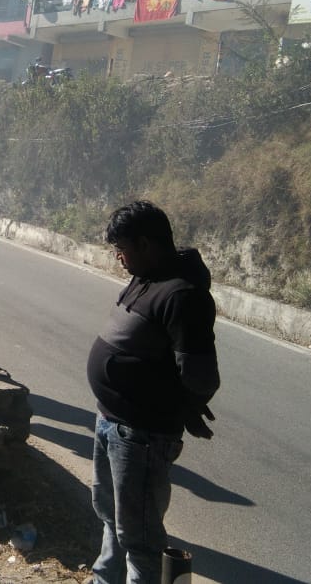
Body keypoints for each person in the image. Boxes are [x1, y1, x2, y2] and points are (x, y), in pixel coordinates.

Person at [87, 201, 220, 584]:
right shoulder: (147, 276)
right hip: (111, 422)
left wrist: (183, 409)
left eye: (122, 249)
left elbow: (201, 375)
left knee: (140, 538)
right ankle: (104, 579)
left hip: (140, 435)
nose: (118, 257)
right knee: (111, 515)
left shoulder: (183, 296)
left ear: (145, 244)